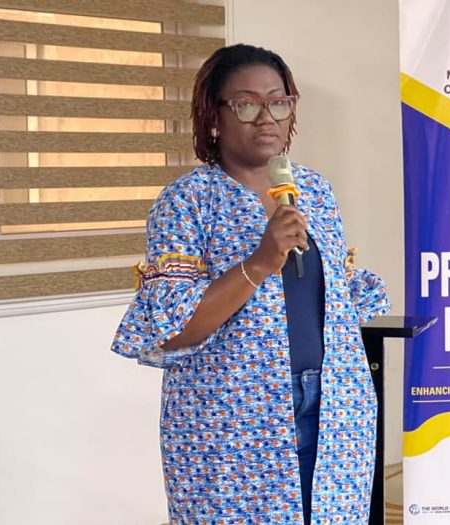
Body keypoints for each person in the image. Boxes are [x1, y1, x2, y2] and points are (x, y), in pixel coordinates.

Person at [111, 43, 389, 524]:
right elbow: (173, 330)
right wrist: (259, 263)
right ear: (214, 116)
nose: (266, 118)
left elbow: (338, 300)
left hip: (336, 412)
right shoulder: (187, 201)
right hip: (232, 420)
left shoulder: (313, 190)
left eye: (279, 102)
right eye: (246, 104)